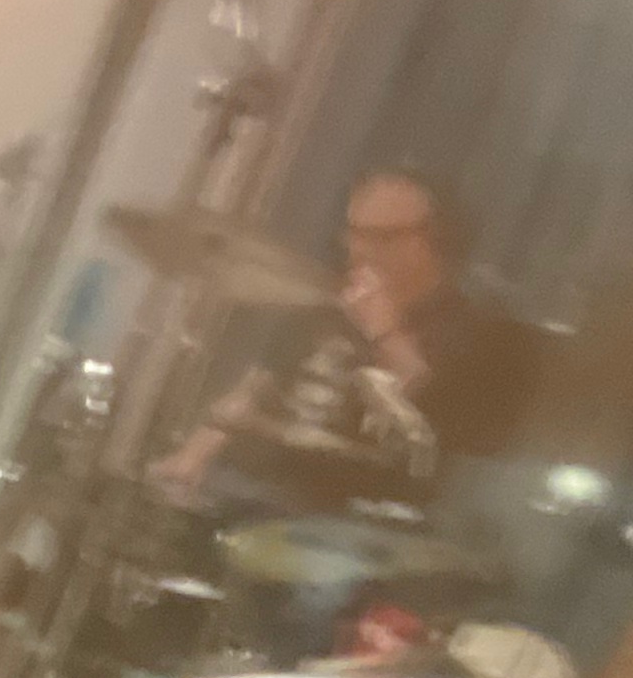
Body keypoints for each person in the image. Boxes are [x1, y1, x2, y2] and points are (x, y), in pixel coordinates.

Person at [152, 167, 544, 521]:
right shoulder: (330, 302)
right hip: (264, 493)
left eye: (380, 237)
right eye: (354, 233)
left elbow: (423, 426)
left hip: (359, 519)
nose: (359, 250)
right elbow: (257, 387)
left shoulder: (476, 334)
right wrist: (191, 456)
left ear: (433, 241)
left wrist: (385, 332)